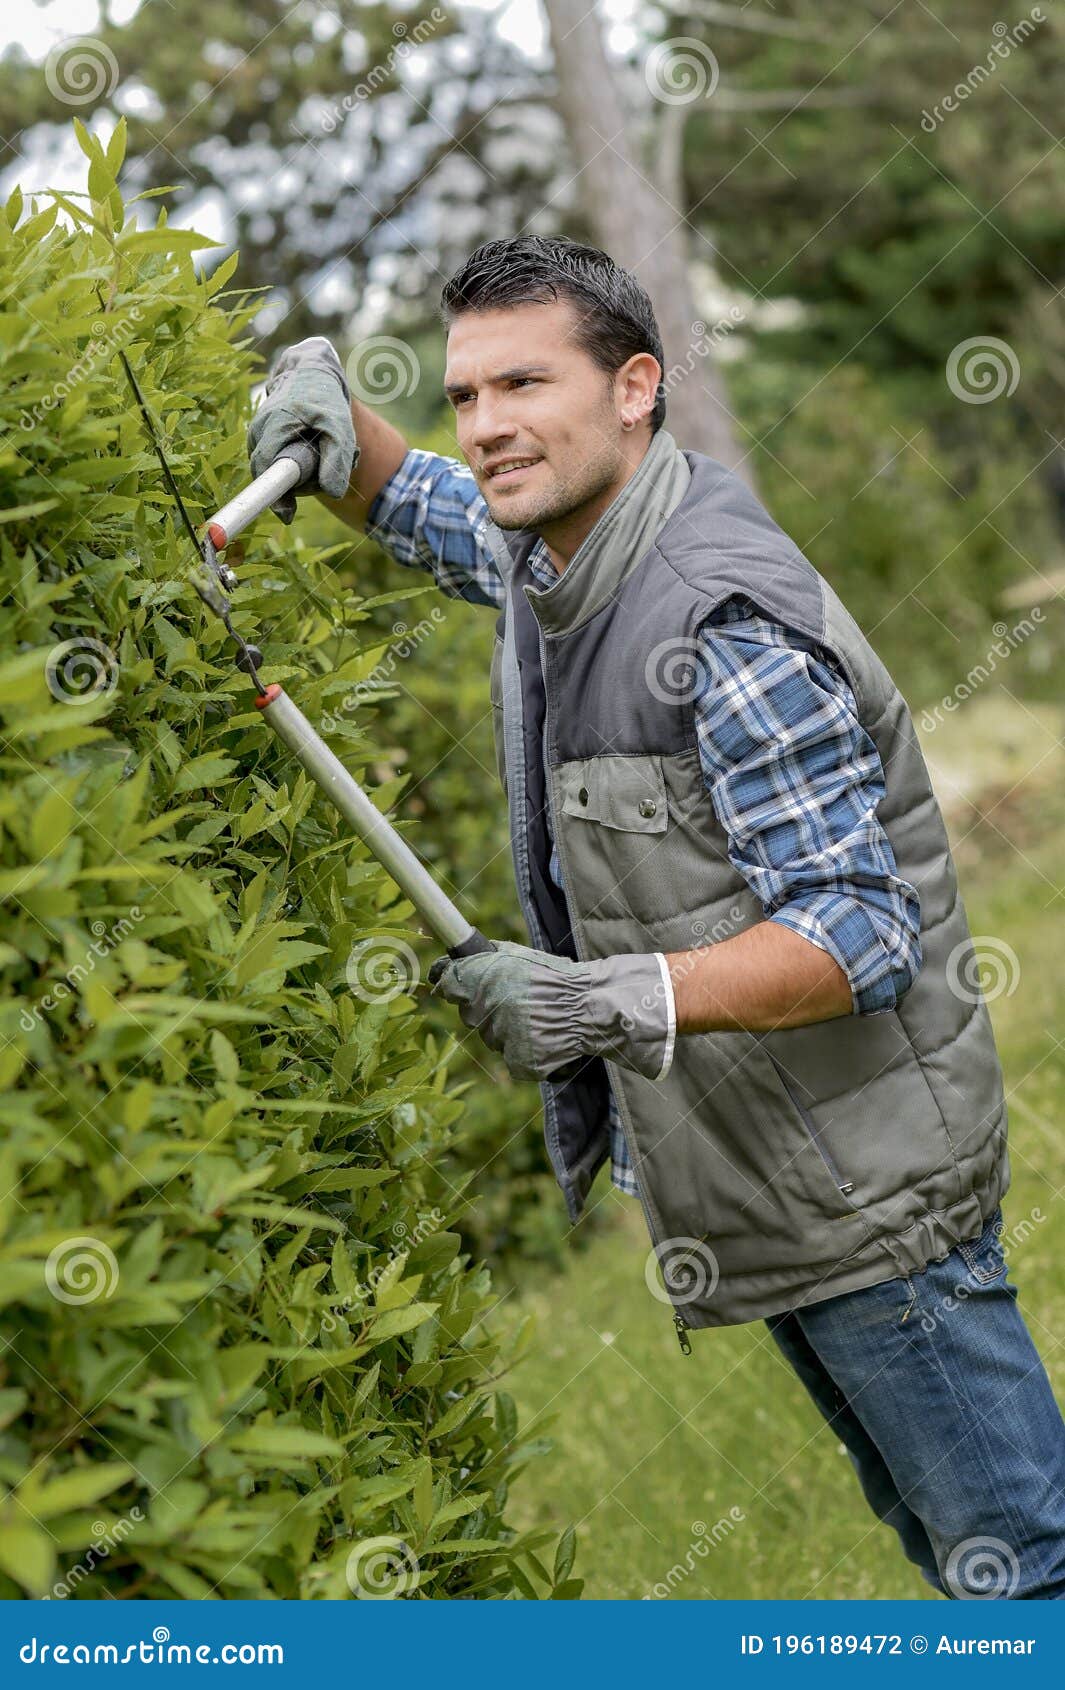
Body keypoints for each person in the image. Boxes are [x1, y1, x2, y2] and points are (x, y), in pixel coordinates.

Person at [247, 236, 1065, 1599]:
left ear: (635, 387)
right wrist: (332, 420)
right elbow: (433, 507)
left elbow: (857, 930)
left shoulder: (719, 620)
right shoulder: (566, 549)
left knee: (1024, 1567)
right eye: (465, 394)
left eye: (525, 384)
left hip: (865, 1189)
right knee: (964, 1551)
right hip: (793, 1181)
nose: (487, 425)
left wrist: (603, 999)